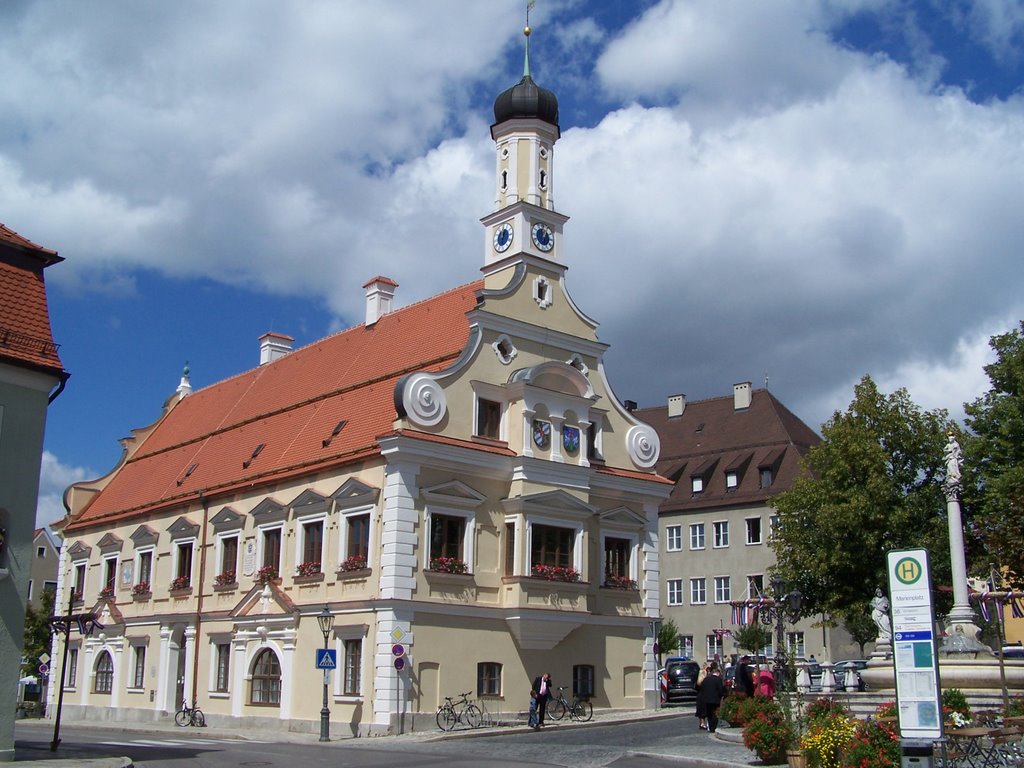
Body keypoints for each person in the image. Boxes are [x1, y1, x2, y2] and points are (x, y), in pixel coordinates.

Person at [696, 662, 726, 733]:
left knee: (709, 714)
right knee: (715, 713)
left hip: (707, 699)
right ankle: (714, 727)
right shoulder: (718, 679)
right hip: (715, 699)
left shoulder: (706, 679)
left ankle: (710, 727)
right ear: (718, 673)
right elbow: (720, 689)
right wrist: (722, 695)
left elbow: (702, 688)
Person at [695, 662, 710, 730]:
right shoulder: (705, 679)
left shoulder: (699, 680)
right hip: (704, 695)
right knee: (704, 710)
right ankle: (703, 723)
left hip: (700, 696)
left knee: (701, 710)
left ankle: (701, 723)